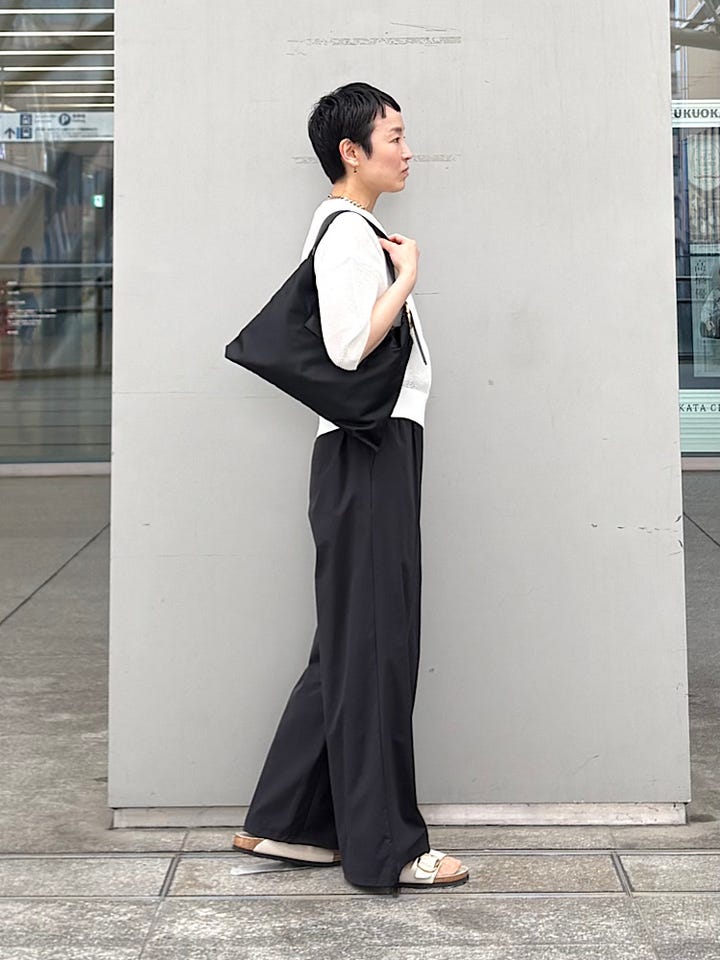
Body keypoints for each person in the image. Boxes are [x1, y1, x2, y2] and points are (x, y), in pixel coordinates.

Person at [233, 82, 469, 891]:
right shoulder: (347, 236)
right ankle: (388, 848)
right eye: (393, 136)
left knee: (349, 645)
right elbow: (345, 349)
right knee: (375, 651)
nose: (407, 150)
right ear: (351, 151)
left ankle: (287, 824)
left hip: (370, 452)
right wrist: (406, 279)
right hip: (368, 452)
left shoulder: (353, 231)